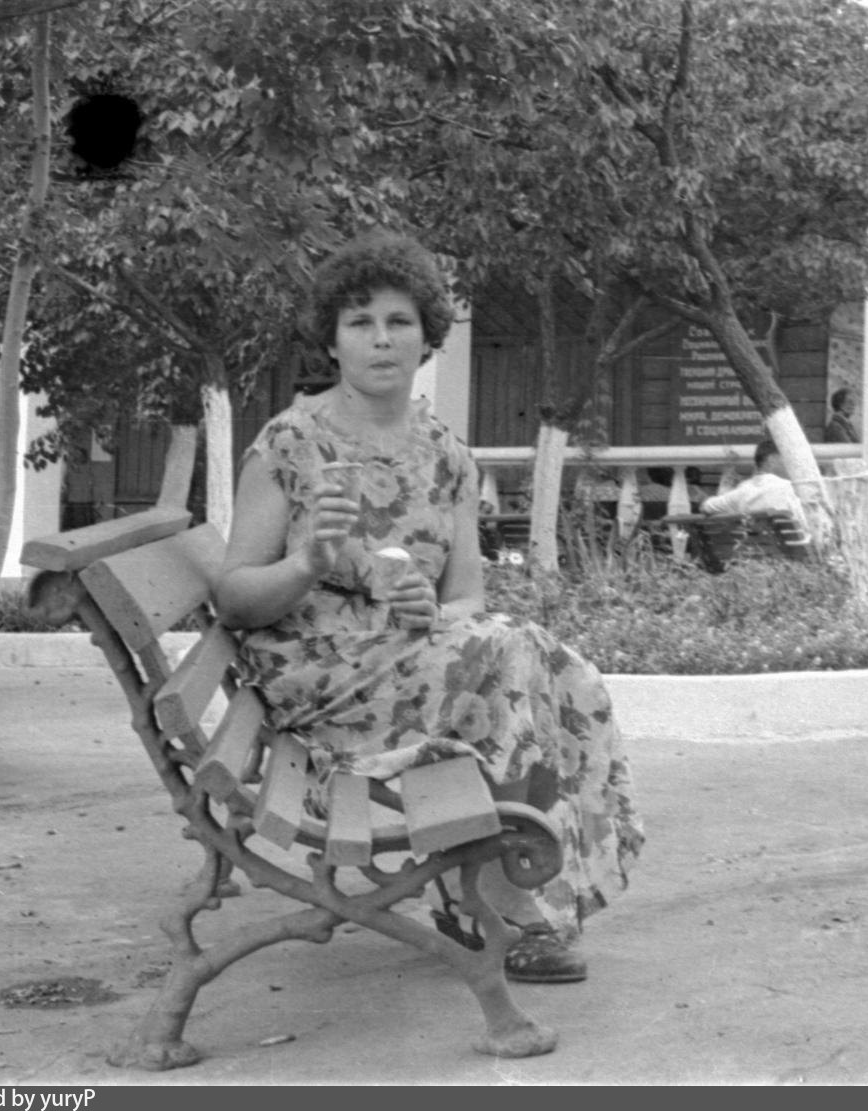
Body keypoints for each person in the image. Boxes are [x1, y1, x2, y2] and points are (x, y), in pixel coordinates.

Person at [216, 230, 642, 986]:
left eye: (398, 321)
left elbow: (468, 596)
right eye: (360, 322)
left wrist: (430, 613)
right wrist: (308, 563)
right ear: (332, 341)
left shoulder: (446, 453)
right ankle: (495, 893)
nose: (381, 339)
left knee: (546, 662)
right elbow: (234, 597)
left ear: (426, 336)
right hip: (318, 680)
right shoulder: (291, 442)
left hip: (410, 663)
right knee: (514, 653)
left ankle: (488, 883)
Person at [700, 438, 809, 526]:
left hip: (753, 545)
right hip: (793, 546)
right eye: (788, 459)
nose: (792, 465)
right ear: (772, 459)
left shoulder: (743, 491)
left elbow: (706, 506)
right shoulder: (791, 489)